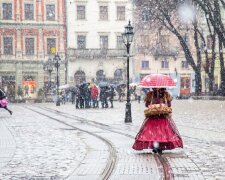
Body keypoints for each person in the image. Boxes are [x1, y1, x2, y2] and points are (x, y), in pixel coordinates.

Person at [132, 88, 183, 154]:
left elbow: (147, 104)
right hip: (157, 117)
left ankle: (157, 146)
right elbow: (148, 104)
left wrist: (158, 105)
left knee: (157, 133)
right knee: (159, 133)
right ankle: (157, 147)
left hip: (159, 117)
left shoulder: (163, 95)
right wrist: (158, 105)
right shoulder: (155, 94)